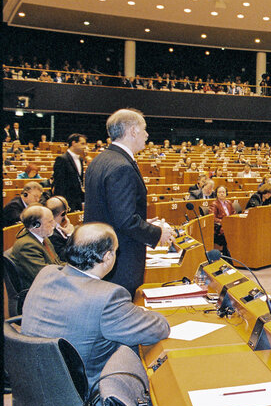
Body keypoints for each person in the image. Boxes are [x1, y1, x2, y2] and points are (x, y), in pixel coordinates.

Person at [21, 223, 170, 390]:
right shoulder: (107, 297)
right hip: (87, 396)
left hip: (33, 386)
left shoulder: (46, 273)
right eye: (116, 251)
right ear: (107, 257)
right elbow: (159, 329)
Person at [84, 109, 173, 296]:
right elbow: (125, 221)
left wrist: (145, 223)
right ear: (133, 131)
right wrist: (157, 233)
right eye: (144, 129)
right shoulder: (121, 167)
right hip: (120, 262)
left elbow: (111, 211)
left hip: (100, 255)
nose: (147, 135)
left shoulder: (99, 160)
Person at [8, 205, 62, 290]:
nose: (54, 224)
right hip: (40, 290)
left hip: (52, 282)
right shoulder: (26, 246)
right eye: (50, 222)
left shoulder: (43, 238)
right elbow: (44, 276)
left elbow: (57, 263)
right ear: (36, 225)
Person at [52, 133, 87, 211]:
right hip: (67, 201)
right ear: (73, 143)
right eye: (82, 144)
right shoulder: (61, 159)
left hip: (77, 201)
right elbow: (59, 184)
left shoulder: (80, 160)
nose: (85, 146)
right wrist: (62, 204)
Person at [211, 185, 234, 257]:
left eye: (223, 192)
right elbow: (212, 218)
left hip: (231, 225)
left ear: (226, 193)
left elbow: (234, 213)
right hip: (220, 229)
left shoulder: (229, 203)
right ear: (216, 194)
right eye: (219, 192)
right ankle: (228, 256)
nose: (221, 194)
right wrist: (224, 222)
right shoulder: (214, 204)